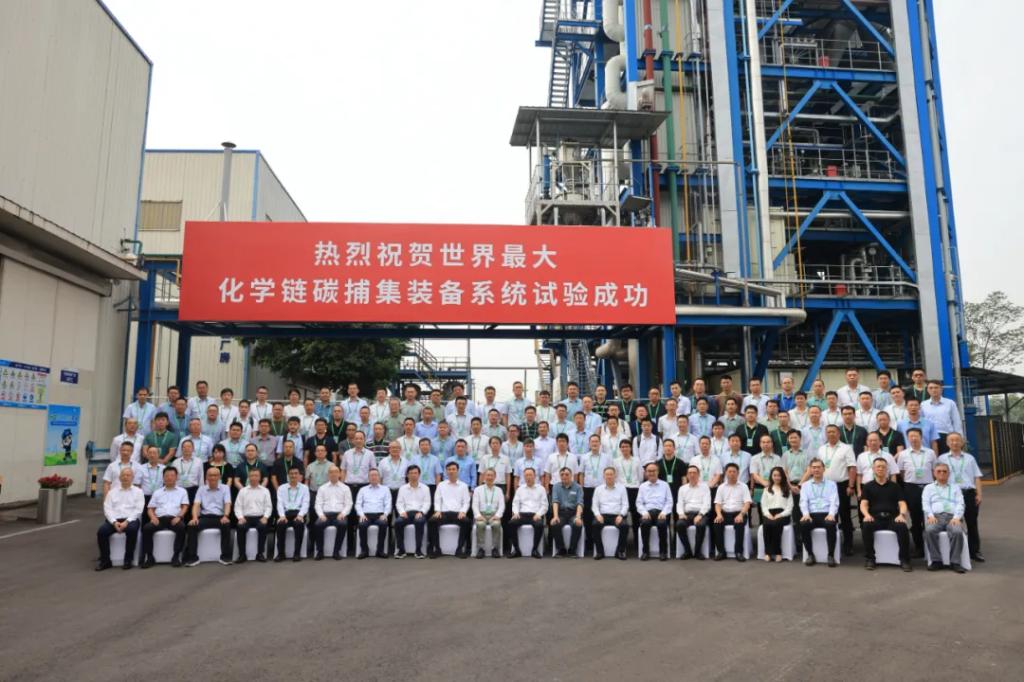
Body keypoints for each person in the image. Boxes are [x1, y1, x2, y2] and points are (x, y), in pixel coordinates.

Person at [937, 433, 984, 562]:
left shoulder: (970, 458)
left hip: (968, 493)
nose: (955, 442)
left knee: (972, 523)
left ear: (962, 442)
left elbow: (976, 477)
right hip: (950, 494)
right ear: (947, 443)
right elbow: (938, 477)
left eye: (957, 440)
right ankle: (954, 551)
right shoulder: (942, 459)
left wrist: (979, 494)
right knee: (952, 522)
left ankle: (974, 551)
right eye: (951, 440)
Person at [860, 457, 912, 571]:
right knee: (866, 526)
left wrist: (902, 515)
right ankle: (870, 559)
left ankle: (904, 560)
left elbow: (902, 503)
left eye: (883, 467)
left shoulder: (895, 486)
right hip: (875, 518)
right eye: (878, 466)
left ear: (887, 469)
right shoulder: (868, 486)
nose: (880, 469)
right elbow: (863, 504)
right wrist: (866, 515)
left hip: (892, 518)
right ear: (873, 469)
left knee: (902, 527)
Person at [896, 427, 936, 557]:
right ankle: (919, 548)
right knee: (916, 518)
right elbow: (901, 472)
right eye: (911, 436)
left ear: (921, 437)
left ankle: (932, 547)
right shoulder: (903, 454)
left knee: (930, 517)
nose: (913, 438)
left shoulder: (930, 453)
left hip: (928, 487)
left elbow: (934, 471)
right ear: (908, 438)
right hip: (911, 488)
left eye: (916, 436)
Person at [96, 467, 145, 571]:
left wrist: (126, 522)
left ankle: (128, 560)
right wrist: (114, 522)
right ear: (119, 477)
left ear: (132, 478)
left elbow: (138, 510)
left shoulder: (138, 492)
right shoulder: (112, 492)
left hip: (131, 519)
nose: (125, 477)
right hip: (114, 520)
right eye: (123, 475)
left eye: (128, 475)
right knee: (101, 532)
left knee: (132, 530)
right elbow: (107, 509)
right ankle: (105, 561)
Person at [923, 462, 967, 573]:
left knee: (957, 531)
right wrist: (930, 515)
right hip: (936, 517)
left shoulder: (955, 488)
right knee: (930, 530)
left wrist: (957, 517)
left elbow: (960, 504)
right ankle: (936, 561)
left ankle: (955, 562)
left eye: (944, 471)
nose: (942, 473)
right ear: (934, 473)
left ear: (949, 473)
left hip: (952, 517)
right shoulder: (928, 488)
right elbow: (925, 504)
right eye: (939, 471)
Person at [819, 425, 857, 555]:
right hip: (825, 486)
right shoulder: (822, 449)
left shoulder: (846, 448)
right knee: (830, 515)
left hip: (842, 485)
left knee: (845, 515)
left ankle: (848, 545)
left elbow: (852, 467)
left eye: (833, 432)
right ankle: (832, 545)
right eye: (828, 432)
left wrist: (851, 486)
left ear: (838, 433)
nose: (831, 434)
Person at [141, 468, 190, 569]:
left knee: (181, 527)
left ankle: (176, 555)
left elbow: (185, 506)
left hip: (174, 518)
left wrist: (179, 517)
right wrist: (153, 517)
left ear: (176, 477)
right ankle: (149, 557)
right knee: (146, 528)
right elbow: (150, 508)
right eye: (167, 476)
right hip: (159, 519)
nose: (169, 478)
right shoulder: (157, 492)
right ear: (163, 478)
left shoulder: (182, 491)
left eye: (172, 475)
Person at [184, 467, 233, 567]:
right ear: (206, 477)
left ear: (219, 477)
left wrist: (226, 516)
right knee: (192, 526)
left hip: (220, 517)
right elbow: (196, 504)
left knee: (227, 525)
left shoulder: (225, 488)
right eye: (210, 475)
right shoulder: (201, 489)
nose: (213, 477)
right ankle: (193, 557)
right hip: (205, 517)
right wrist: (194, 518)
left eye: (215, 475)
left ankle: (225, 556)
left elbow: (227, 503)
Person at [798, 458, 839, 567]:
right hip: (811, 515)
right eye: (814, 467)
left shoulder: (831, 484)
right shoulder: (805, 485)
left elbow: (834, 501)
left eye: (819, 467)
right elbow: (803, 502)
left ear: (823, 469)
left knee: (831, 524)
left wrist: (831, 514)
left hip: (826, 514)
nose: (816, 470)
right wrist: (806, 514)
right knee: (803, 524)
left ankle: (830, 555)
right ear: (810, 470)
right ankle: (810, 554)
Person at [429, 461, 472, 558]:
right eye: (449, 469)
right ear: (446, 471)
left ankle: (459, 549)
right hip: (443, 513)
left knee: (466, 522)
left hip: (458, 513)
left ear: (458, 471)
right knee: (432, 521)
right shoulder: (441, 485)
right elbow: (437, 499)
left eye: (453, 469)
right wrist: (437, 510)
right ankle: (437, 549)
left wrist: (463, 511)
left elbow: (466, 502)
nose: (451, 471)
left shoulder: (464, 486)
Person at [311, 464, 352, 560]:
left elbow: (349, 504)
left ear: (339, 474)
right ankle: (320, 551)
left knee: (343, 525)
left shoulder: (345, 488)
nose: (333, 474)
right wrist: (321, 515)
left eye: (336, 472)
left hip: (339, 514)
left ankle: (336, 551)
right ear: (328, 475)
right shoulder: (322, 488)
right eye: (331, 472)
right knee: (317, 525)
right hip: (325, 515)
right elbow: (318, 504)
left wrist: (343, 514)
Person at [712, 463, 751, 561]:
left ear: (738, 473)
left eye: (734, 471)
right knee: (717, 523)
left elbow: (747, 503)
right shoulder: (721, 487)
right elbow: (717, 503)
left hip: (739, 513)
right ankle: (721, 552)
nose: (732, 473)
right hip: (724, 513)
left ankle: (738, 552)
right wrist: (719, 514)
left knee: (739, 524)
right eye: (729, 471)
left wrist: (741, 515)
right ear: (726, 473)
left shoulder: (744, 486)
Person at [234, 467, 272, 563]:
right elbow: (237, 506)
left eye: (256, 476)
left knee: (263, 527)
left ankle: (260, 553)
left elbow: (268, 507)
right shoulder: (243, 491)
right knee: (240, 527)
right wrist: (240, 517)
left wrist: (265, 517)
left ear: (260, 477)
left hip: (260, 517)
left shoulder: (265, 491)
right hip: (246, 518)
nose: (254, 478)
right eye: (252, 475)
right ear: (249, 477)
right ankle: (242, 555)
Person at [591, 466, 629, 560]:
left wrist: (621, 515)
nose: (609, 476)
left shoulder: (622, 488)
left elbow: (625, 505)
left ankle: (620, 551)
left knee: (625, 526)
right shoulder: (598, 489)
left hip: (617, 515)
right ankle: (600, 552)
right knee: (595, 525)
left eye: (611, 474)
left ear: (615, 476)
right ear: (603, 476)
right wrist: (598, 515)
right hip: (602, 515)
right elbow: (594, 505)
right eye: (607, 474)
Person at [636, 462, 672, 561]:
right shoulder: (642, 486)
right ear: (646, 473)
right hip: (647, 513)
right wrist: (644, 512)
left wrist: (664, 512)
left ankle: (663, 552)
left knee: (662, 524)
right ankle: (645, 552)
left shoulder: (665, 485)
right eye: (649, 471)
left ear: (658, 472)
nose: (651, 473)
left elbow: (669, 501)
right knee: (645, 523)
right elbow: (639, 503)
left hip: (661, 512)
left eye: (653, 471)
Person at [508, 468, 547, 558]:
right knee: (511, 524)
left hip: (535, 514)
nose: (528, 477)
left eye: (530, 475)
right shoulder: (520, 489)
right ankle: (517, 550)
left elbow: (544, 505)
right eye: (526, 475)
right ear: (524, 477)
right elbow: (515, 503)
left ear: (535, 476)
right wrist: (515, 512)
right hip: (522, 514)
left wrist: (539, 514)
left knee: (539, 525)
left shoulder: (541, 489)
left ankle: (534, 550)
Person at [675, 465, 711, 560]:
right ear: (687, 475)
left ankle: (697, 551)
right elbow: (679, 503)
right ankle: (687, 551)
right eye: (690, 473)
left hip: (701, 513)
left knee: (701, 525)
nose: (692, 475)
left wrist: (700, 515)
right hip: (687, 514)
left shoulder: (705, 487)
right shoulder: (682, 488)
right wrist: (681, 513)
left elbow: (707, 503)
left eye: (694, 473)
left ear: (698, 475)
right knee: (679, 524)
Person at [395, 464, 431, 558]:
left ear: (419, 474)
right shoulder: (402, 488)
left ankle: (418, 550)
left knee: (419, 522)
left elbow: (427, 503)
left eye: (415, 473)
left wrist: (422, 512)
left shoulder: (425, 488)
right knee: (398, 522)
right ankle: (401, 550)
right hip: (406, 513)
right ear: (407, 475)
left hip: (419, 513)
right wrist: (402, 512)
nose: (413, 475)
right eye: (411, 473)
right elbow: (399, 503)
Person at [275, 466, 310, 562]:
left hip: (298, 513)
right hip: (285, 513)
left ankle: (297, 553)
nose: (293, 475)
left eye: (296, 473)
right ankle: (281, 554)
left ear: (299, 475)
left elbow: (306, 503)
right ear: (288, 475)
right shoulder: (281, 488)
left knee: (299, 524)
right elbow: (279, 503)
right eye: (291, 474)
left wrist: (300, 515)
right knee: (280, 525)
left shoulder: (304, 488)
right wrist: (282, 516)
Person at [355, 469, 391, 559]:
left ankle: (380, 551)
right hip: (366, 515)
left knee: (383, 524)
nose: (374, 477)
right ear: (368, 478)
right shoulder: (363, 490)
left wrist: (385, 514)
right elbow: (358, 504)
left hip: (380, 515)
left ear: (379, 477)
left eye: (376, 475)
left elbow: (388, 504)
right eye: (371, 475)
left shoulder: (385, 489)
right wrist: (361, 514)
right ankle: (364, 550)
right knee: (362, 525)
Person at [760, 467, 793, 562]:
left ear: (782, 477)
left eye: (779, 475)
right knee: (766, 525)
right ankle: (768, 553)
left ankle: (778, 552)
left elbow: (790, 507)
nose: (777, 477)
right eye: (774, 475)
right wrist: (767, 514)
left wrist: (780, 515)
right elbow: (763, 505)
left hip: (783, 514)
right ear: (771, 476)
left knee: (776, 524)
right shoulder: (767, 489)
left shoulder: (787, 490)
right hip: (769, 513)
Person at [471, 468, 505, 558]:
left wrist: (497, 515)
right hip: (481, 514)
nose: (489, 477)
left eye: (491, 475)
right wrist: (478, 515)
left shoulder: (499, 490)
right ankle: (481, 548)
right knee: (480, 525)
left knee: (496, 525)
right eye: (487, 475)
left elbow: (502, 505)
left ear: (495, 477)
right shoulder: (478, 490)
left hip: (494, 515)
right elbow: (474, 505)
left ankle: (495, 548)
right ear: (484, 477)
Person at [921, 380, 963, 455]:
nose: (933, 390)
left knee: (947, 459)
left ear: (941, 389)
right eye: (931, 388)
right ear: (927, 390)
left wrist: (959, 437)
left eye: (936, 387)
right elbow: (921, 422)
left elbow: (956, 421)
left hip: (947, 436)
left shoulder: (950, 403)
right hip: (929, 437)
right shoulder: (923, 405)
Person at [550, 467, 584, 557]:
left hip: (574, 513)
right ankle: (561, 549)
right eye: (562, 475)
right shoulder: (556, 487)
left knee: (577, 524)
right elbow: (555, 502)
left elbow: (580, 503)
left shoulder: (578, 487)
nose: (564, 476)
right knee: (555, 524)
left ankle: (572, 549)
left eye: (566, 474)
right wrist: (555, 516)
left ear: (571, 475)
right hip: (561, 513)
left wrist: (578, 517)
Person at [172, 439, 204, 507]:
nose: (187, 449)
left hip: (193, 490)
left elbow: (201, 479)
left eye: (189, 447)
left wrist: (201, 493)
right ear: (181, 449)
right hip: (179, 490)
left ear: (193, 449)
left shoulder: (199, 461)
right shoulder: (175, 462)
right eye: (184, 447)